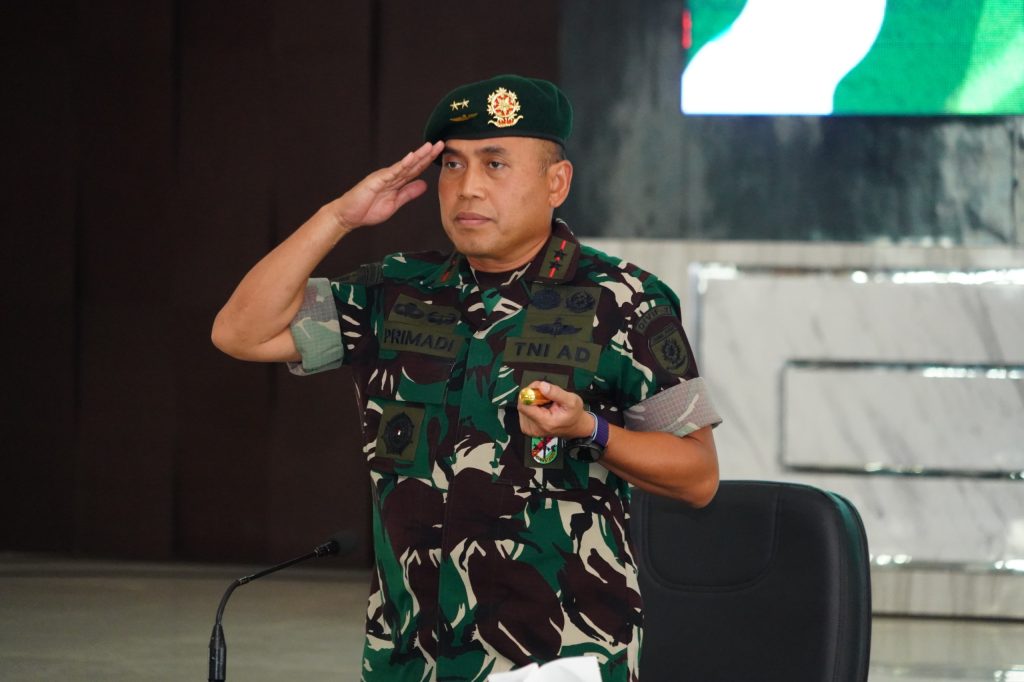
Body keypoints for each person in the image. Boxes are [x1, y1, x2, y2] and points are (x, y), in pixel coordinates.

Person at [212, 74, 721, 682]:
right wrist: (337, 218)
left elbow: (699, 477)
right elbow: (240, 332)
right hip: (408, 658)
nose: (468, 186)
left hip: (558, 657)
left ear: (556, 183)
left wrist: (591, 429)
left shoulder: (625, 300)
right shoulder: (395, 291)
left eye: (495, 164)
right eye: (453, 165)